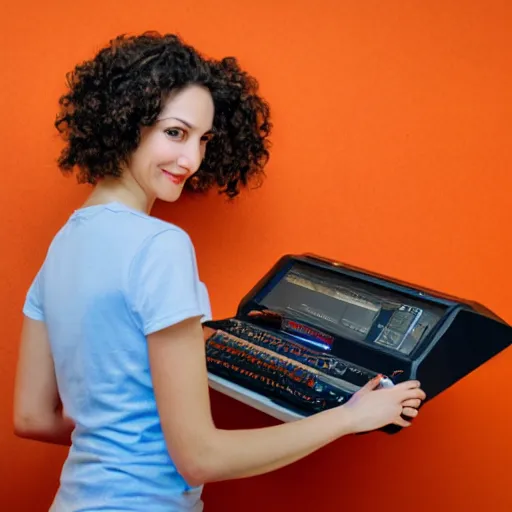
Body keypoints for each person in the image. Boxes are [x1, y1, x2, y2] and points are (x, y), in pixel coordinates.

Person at [13, 31, 426, 511]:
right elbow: (200, 459)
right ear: (125, 121)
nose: (191, 161)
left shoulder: (64, 244)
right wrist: (351, 416)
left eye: (203, 140)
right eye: (175, 132)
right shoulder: (160, 245)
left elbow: (33, 417)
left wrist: (125, 431)